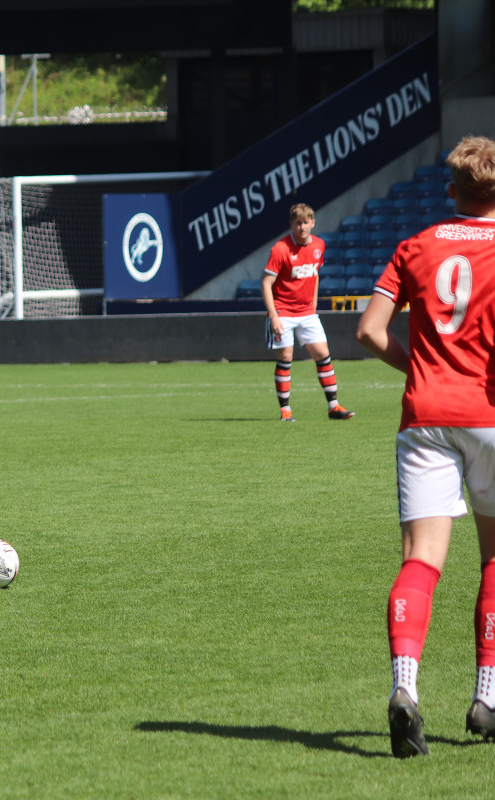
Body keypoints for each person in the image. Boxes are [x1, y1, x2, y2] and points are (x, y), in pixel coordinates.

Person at [356, 135, 495, 757]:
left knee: (421, 560)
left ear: (452, 189)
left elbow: (367, 331)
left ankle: (404, 689)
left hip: (424, 416)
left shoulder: (416, 245)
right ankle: (488, 697)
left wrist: (422, 369)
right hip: (490, 417)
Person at [261, 203, 354, 422]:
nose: (302, 227)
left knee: (323, 355)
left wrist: (313, 306)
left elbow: (314, 274)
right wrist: (274, 315)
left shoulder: (319, 245)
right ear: (291, 224)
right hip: (283, 311)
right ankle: (285, 411)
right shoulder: (281, 249)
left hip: (307, 313)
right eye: (297, 223)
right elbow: (267, 283)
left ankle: (334, 407)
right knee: (286, 358)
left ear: (313, 223)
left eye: (305, 222)